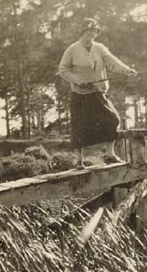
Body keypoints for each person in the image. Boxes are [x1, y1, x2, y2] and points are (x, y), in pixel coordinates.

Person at [58, 18, 138, 169]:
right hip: (80, 95)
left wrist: (126, 70)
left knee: (113, 119)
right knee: (79, 128)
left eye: (94, 32)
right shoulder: (72, 49)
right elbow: (63, 70)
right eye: (89, 31)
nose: (92, 35)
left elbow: (112, 62)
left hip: (98, 93)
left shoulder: (100, 48)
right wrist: (78, 80)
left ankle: (110, 154)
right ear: (82, 32)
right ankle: (78, 160)